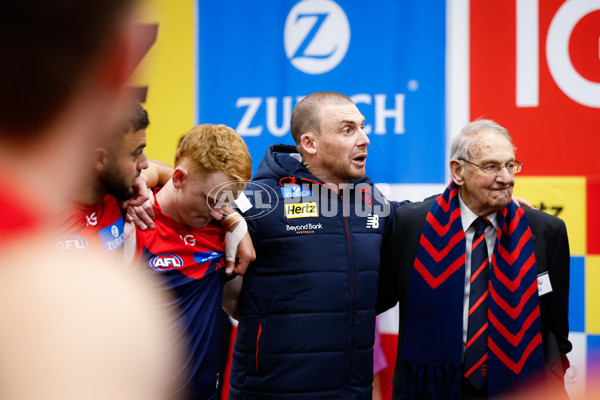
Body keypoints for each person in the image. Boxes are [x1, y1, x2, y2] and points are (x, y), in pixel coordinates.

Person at [377, 119, 571, 399]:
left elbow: (555, 322)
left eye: (510, 165)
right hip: (433, 387)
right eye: (491, 167)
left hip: (519, 385)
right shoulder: (411, 224)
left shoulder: (545, 230)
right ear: (458, 171)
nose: (506, 178)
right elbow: (379, 298)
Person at [229, 91, 399, 399]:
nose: (364, 139)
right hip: (270, 392)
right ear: (310, 144)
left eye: (362, 127)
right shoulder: (254, 201)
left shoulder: (373, 201)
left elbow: (382, 288)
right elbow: (230, 297)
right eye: (348, 130)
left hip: (350, 392)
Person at [129, 124, 252, 400]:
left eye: (227, 203)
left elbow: (239, 306)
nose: (218, 212)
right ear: (180, 178)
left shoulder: (223, 228)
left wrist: (237, 222)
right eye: (210, 200)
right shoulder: (132, 219)